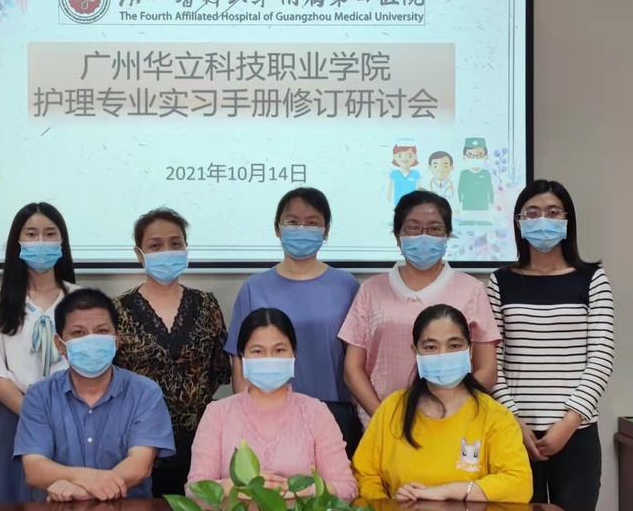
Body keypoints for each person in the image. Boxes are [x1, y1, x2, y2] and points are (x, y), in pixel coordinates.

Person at [488, 180, 614, 511]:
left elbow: (601, 358)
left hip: (576, 432)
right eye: (532, 213)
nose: (542, 219)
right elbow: (491, 361)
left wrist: (568, 423)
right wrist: (514, 421)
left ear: (568, 220)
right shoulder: (500, 282)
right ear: (519, 222)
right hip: (514, 431)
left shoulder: (592, 279)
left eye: (553, 212)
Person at [339, 190, 500, 429]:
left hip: (452, 425)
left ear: (447, 235)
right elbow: (353, 369)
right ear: (398, 236)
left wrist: (448, 412)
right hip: (382, 424)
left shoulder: (471, 289)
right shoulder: (371, 289)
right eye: (413, 228)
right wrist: (385, 418)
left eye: (434, 229)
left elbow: (487, 369)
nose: (424, 236)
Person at [225, 188, 361, 456]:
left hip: (334, 409)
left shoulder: (346, 286)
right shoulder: (254, 287)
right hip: (267, 410)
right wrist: (243, 414)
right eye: (292, 221)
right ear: (278, 228)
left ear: (326, 231)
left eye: (312, 222)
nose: (302, 229)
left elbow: (357, 358)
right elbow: (238, 359)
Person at [352, 304, 532, 503]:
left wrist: (447, 491)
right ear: (415, 352)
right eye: (431, 347)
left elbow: (519, 483)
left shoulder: (495, 415)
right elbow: (364, 475)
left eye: (454, 346)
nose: (443, 355)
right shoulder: (392, 409)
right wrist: (388, 504)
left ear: (470, 350)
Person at [14, 287, 175, 503]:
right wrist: (87, 479)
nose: (91, 340)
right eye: (78, 333)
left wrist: (83, 491)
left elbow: (140, 466)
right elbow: (35, 469)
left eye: (101, 331)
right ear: (60, 345)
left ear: (117, 340)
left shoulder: (145, 393)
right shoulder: (39, 395)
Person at [113, 207, 231, 496]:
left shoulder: (207, 305)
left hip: (200, 443)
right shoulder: (117, 310)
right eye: (155, 245)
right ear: (139, 254)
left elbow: (218, 370)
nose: (167, 251)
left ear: (186, 248)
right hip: (137, 443)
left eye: (175, 243)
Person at [0, 202, 80, 502]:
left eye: (50, 234)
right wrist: (35, 413)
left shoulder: (80, 298)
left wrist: (61, 416)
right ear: (17, 241)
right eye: (31, 234)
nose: (41, 241)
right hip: (16, 416)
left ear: (62, 241)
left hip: (74, 417)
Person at [188, 309, 357, 501]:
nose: (269, 359)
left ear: (293, 353)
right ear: (242, 357)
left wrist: (303, 490)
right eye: (257, 351)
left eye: (279, 350)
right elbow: (194, 489)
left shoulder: (316, 413)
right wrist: (233, 487)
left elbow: (347, 488)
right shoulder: (217, 414)